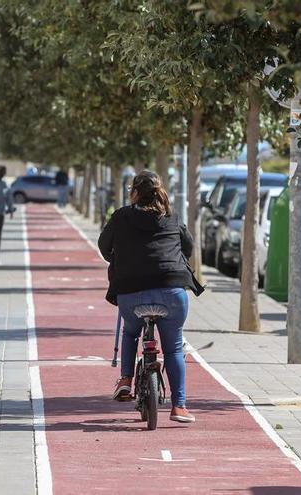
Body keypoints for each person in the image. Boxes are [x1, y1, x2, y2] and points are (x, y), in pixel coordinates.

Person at [98, 170, 196, 423]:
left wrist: (120, 259)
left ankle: (126, 380)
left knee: (131, 332)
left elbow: (103, 246)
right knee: (174, 347)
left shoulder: (121, 216)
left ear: (134, 192)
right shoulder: (172, 219)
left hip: (131, 292)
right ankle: (180, 407)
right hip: (172, 292)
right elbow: (189, 248)